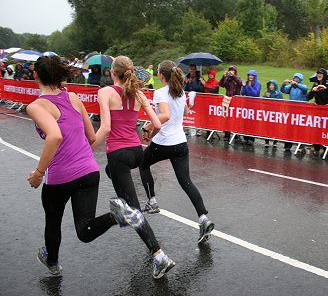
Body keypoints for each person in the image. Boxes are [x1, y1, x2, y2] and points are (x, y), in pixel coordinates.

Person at [26, 56, 118, 276]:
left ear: (36, 75)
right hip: (89, 172)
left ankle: (53, 263)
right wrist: (83, 158)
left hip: (60, 177)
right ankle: (117, 216)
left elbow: (54, 136)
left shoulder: (36, 106)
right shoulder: (74, 98)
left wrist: (39, 174)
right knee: (85, 230)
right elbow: (91, 137)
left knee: (53, 221)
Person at [92, 55, 175, 279]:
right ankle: (123, 205)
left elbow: (106, 128)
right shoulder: (138, 93)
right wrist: (149, 135)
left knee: (133, 211)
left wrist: (87, 148)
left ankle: (159, 256)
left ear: (112, 72)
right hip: (136, 153)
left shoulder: (106, 92)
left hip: (118, 154)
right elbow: (157, 123)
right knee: (112, 172)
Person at [139, 60, 215, 244]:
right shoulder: (180, 91)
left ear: (161, 76)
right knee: (186, 181)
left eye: (158, 72)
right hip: (180, 143)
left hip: (164, 142)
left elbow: (164, 116)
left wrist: (148, 127)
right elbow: (186, 112)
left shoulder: (160, 93)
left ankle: (152, 201)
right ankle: (203, 218)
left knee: (143, 164)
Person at [307, 68, 328, 156]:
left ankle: (326, 149)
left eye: (321, 74)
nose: (319, 75)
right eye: (318, 73)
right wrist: (313, 91)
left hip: (327, 111)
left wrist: (325, 88)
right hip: (318, 111)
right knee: (317, 130)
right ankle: (316, 148)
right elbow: (308, 97)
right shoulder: (315, 84)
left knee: (326, 130)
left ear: (324, 75)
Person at [281, 73, 308, 152]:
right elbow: (283, 90)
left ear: (300, 79)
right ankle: (287, 146)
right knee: (289, 129)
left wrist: (297, 84)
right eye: (294, 78)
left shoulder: (303, 86)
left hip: (300, 111)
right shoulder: (291, 87)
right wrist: (283, 84)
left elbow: (305, 89)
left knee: (300, 129)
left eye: (297, 78)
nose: (295, 79)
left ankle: (300, 146)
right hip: (291, 110)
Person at [219, 66, 243, 141]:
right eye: (230, 70)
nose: (231, 71)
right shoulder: (227, 79)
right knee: (227, 117)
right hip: (228, 100)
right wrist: (224, 76)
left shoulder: (238, 78)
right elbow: (221, 84)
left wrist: (233, 76)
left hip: (236, 100)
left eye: (233, 70)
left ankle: (236, 135)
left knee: (235, 118)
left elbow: (240, 83)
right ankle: (227, 134)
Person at [240, 70, 261, 145]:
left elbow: (255, 94)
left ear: (255, 76)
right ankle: (245, 138)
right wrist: (244, 86)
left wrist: (248, 86)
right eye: (249, 75)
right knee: (245, 122)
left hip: (254, 105)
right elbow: (242, 92)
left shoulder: (258, 84)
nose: (250, 77)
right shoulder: (246, 82)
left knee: (252, 123)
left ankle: (251, 139)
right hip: (246, 105)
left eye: (252, 75)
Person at [263, 80, 283, 148]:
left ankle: (275, 142)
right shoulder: (266, 92)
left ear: (275, 86)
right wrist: (266, 97)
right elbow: (262, 101)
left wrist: (276, 96)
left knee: (275, 128)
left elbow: (281, 103)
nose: (271, 86)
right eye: (270, 85)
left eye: (273, 85)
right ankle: (267, 142)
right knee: (267, 127)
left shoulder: (279, 93)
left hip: (276, 113)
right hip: (268, 112)